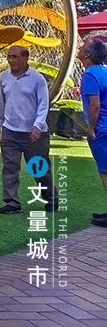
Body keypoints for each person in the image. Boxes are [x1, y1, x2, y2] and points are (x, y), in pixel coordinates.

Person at [0, 46, 57, 214]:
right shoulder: (4, 77)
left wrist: (37, 126)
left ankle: (51, 198)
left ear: (26, 58)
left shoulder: (37, 79)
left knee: (38, 168)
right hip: (10, 131)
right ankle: (12, 202)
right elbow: (0, 101)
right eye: (9, 56)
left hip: (34, 133)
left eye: (15, 57)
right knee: (10, 167)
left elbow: (43, 105)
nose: (11, 60)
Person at [79, 39, 107, 227]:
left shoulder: (90, 74)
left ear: (87, 54)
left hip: (101, 131)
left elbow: (94, 104)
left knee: (105, 172)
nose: (80, 47)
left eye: (83, 46)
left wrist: (90, 128)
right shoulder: (105, 71)